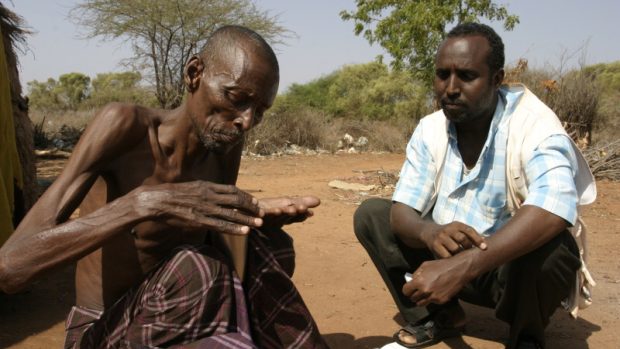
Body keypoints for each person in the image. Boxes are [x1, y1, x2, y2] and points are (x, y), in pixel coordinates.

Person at [0, 25, 329, 348]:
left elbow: (213, 237)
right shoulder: (125, 127)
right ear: (194, 73)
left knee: (270, 246)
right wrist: (142, 203)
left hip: (180, 310)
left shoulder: (224, 146)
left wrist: (251, 218)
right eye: (235, 98)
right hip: (103, 328)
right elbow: (11, 267)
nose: (245, 121)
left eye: (260, 111)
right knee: (198, 265)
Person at [354, 22, 596, 349]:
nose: (450, 88)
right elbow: (401, 211)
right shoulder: (431, 129)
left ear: (497, 79)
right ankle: (438, 317)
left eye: (467, 76)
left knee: (555, 248)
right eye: (442, 75)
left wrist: (464, 265)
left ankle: (526, 336)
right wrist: (430, 233)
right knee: (372, 214)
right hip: (445, 258)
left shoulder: (535, 127)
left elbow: (553, 208)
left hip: (506, 270)